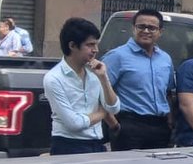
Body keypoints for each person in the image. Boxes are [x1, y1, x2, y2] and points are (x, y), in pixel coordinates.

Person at [43, 17, 121, 155]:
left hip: (97, 142)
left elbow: (114, 108)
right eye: (90, 45)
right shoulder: (54, 78)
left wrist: (103, 78)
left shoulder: (95, 71)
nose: (95, 50)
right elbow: (74, 123)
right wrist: (102, 113)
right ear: (72, 46)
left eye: (96, 44)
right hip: (68, 144)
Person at [103, 8, 175, 151]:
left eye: (152, 28)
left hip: (160, 127)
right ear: (133, 28)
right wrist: (114, 125)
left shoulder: (165, 59)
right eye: (141, 26)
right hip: (129, 125)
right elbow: (99, 92)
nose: (146, 31)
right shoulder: (117, 56)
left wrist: (170, 121)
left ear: (160, 32)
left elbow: (168, 93)